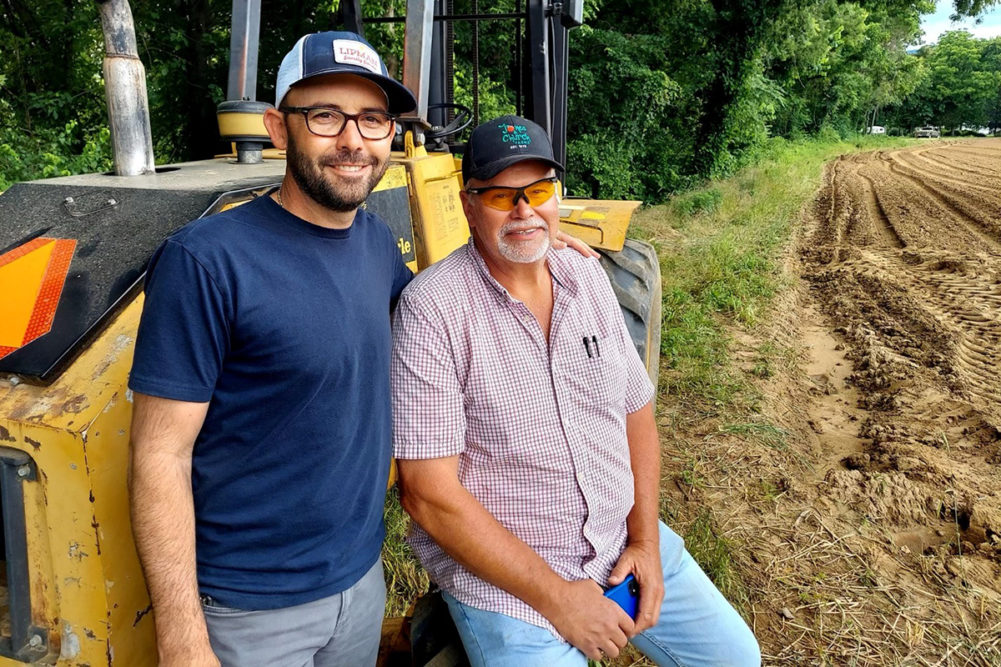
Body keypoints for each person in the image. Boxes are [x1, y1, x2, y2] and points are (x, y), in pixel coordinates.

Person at [128, 33, 593, 667]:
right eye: (325, 115)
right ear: (278, 128)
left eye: (373, 118)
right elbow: (159, 453)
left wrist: (529, 243)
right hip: (248, 607)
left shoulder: (376, 245)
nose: (353, 139)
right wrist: (181, 635)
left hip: (358, 581)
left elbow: (448, 318)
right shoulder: (208, 261)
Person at [391, 115, 762, 666]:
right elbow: (427, 494)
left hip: (618, 538)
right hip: (511, 585)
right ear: (468, 205)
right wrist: (561, 600)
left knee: (737, 659)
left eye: (538, 191)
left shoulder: (586, 276)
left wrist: (645, 544)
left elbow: (637, 413)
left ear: (556, 197)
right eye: (500, 195)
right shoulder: (433, 310)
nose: (523, 209)